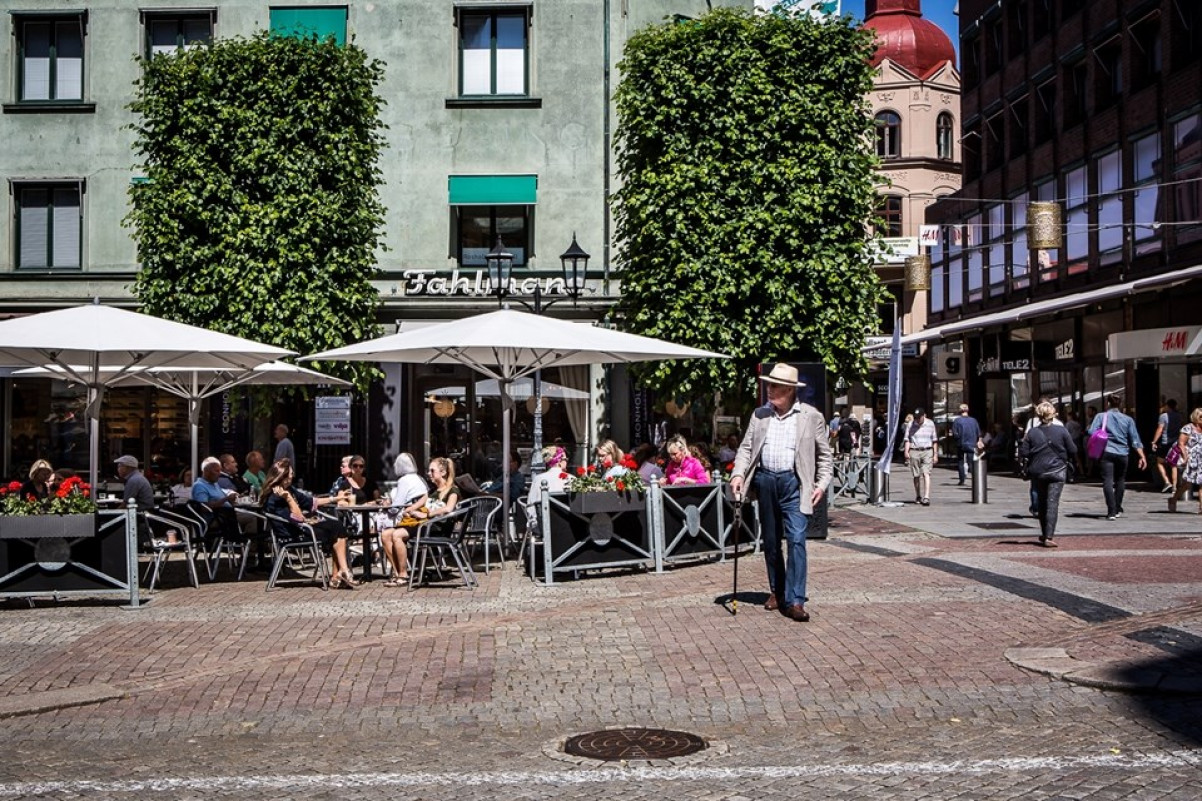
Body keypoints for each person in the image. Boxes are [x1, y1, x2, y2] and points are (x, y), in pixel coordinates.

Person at [730, 363, 832, 623]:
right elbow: (745, 449)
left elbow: (825, 456)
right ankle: (777, 591)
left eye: (774, 386)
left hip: (794, 484)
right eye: (768, 384)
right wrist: (739, 474)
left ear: (789, 390)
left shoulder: (810, 416)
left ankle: (796, 600)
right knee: (772, 542)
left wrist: (821, 484)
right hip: (765, 482)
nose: (769, 390)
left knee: (797, 539)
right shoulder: (760, 415)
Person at [261, 458, 356, 589]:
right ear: (283, 476)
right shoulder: (275, 497)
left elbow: (310, 502)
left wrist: (336, 498)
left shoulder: (289, 489)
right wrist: (288, 498)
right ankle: (340, 573)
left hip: (301, 528)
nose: (292, 476)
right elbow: (298, 518)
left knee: (336, 526)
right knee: (335, 529)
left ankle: (341, 573)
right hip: (292, 534)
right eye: (290, 474)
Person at [1018, 402, 1076, 548]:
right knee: (1052, 503)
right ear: (1053, 414)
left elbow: (1024, 452)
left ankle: (1045, 534)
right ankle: (1048, 536)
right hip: (1057, 471)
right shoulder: (1061, 430)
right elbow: (1073, 449)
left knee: (1043, 502)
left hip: (1039, 471)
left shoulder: (1032, 432)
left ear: (1038, 415)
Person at [1086, 395, 1147, 521]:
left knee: (1107, 480)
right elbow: (1135, 440)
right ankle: (1117, 507)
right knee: (1120, 480)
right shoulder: (1128, 419)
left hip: (1106, 451)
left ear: (1107, 403)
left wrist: (1103, 434)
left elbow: (1091, 431)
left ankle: (1111, 511)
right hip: (1123, 453)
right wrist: (1142, 456)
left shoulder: (1101, 416)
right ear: (1120, 404)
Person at [378, 453, 429, 586]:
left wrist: (387, 505)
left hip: (414, 522)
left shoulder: (404, 480)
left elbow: (396, 507)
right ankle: (399, 572)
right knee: (386, 534)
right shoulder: (418, 478)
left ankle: (401, 573)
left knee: (392, 535)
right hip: (421, 521)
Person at [192, 456, 242, 545]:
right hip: (216, 518)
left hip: (228, 515)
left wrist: (231, 497)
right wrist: (226, 499)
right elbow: (204, 507)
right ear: (206, 472)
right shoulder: (199, 486)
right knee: (254, 519)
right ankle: (249, 550)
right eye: (216, 471)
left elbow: (223, 496)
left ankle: (243, 544)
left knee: (257, 517)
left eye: (220, 470)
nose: (219, 474)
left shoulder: (214, 484)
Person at [1169, 408, 1202, 514]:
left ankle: (1201, 508)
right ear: (1196, 417)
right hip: (1192, 458)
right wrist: (1185, 456)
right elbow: (1181, 443)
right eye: (1201, 417)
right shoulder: (1188, 428)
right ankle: (1174, 499)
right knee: (1187, 484)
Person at [903, 407, 937, 506]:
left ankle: (926, 497)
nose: (917, 420)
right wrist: (906, 451)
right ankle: (918, 495)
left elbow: (934, 440)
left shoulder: (930, 424)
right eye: (916, 417)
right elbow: (907, 439)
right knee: (916, 475)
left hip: (927, 450)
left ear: (923, 416)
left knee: (926, 473)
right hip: (914, 451)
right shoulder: (910, 424)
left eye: (919, 417)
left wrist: (935, 454)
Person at [527, 445, 569, 519]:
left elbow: (531, 504)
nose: (566, 462)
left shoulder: (538, 479)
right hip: (569, 523)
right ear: (560, 461)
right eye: (565, 459)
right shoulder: (571, 479)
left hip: (543, 523)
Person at [1152, 399, 1184, 492]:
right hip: (1176, 442)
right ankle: (1174, 486)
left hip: (1166, 442)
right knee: (1173, 464)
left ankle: (1167, 481)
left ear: (1167, 406)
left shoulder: (1163, 416)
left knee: (1159, 462)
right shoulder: (1179, 416)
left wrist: (1154, 441)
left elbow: (1160, 429)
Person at [951, 404, 983, 486]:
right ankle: (975, 480)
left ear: (960, 410)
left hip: (961, 443)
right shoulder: (974, 420)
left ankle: (962, 480)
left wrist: (957, 439)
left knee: (960, 462)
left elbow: (955, 434)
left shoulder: (957, 421)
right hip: (972, 444)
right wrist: (978, 441)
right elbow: (979, 433)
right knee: (971, 462)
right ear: (968, 410)